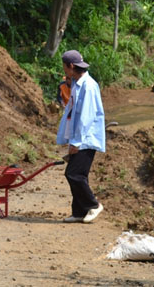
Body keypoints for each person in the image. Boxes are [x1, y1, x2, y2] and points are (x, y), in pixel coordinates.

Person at [56, 50, 105, 224]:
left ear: (70, 66)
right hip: (79, 137)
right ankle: (78, 212)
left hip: (87, 138)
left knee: (74, 174)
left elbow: (86, 116)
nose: (64, 69)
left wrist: (76, 142)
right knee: (78, 174)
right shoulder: (77, 84)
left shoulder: (88, 86)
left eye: (64, 66)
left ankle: (93, 205)